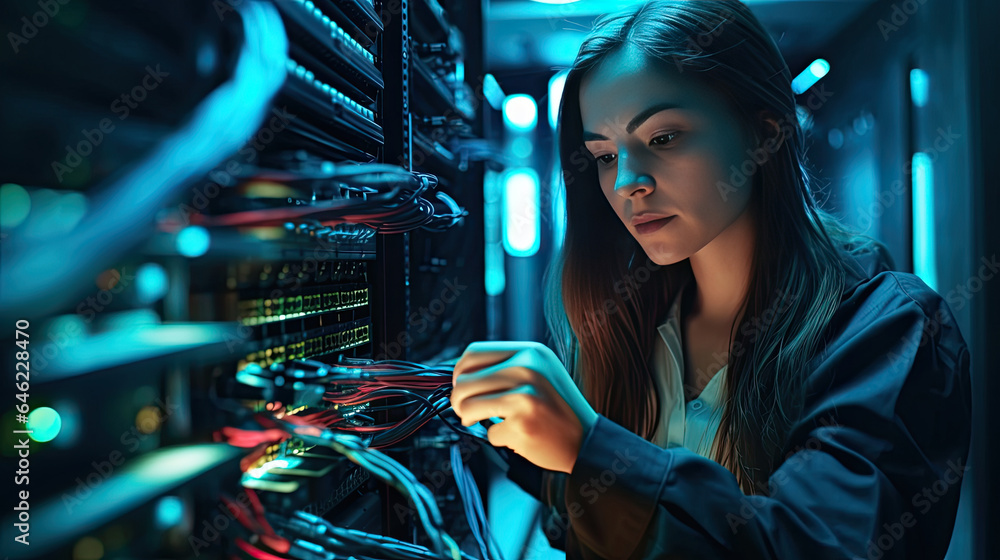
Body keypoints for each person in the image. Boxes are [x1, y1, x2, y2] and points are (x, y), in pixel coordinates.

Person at [449, 1, 971, 559]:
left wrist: (592, 450)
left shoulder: (890, 330)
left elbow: (818, 546)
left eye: (664, 138)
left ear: (763, 130)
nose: (627, 182)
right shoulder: (625, 324)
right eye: (603, 155)